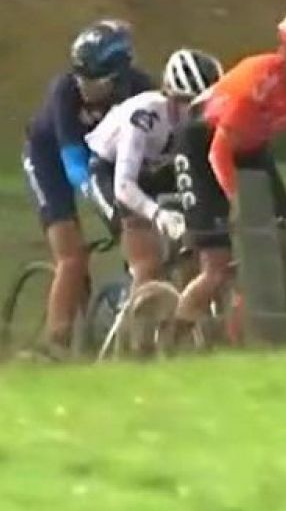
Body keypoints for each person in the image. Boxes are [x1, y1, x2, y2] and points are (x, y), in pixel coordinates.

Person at [167, 5, 286, 342]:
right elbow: (218, 152)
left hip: (252, 148)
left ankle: (241, 335)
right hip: (203, 145)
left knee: (283, 247)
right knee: (217, 265)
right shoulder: (257, 79)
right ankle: (169, 343)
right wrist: (237, 204)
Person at [21, 19, 154, 358]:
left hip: (103, 155)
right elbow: (75, 167)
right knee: (72, 256)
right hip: (50, 159)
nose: (82, 85)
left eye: (91, 79)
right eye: (78, 75)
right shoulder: (63, 93)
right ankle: (55, 344)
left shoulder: (141, 91)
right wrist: (108, 207)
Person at [84, 49, 224, 344]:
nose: (199, 112)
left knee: (195, 245)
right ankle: (134, 343)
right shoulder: (144, 117)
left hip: (157, 170)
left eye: (205, 104)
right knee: (147, 264)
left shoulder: (202, 121)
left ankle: (182, 332)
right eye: (190, 104)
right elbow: (125, 187)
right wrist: (159, 215)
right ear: (172, 98)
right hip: (112, 174)